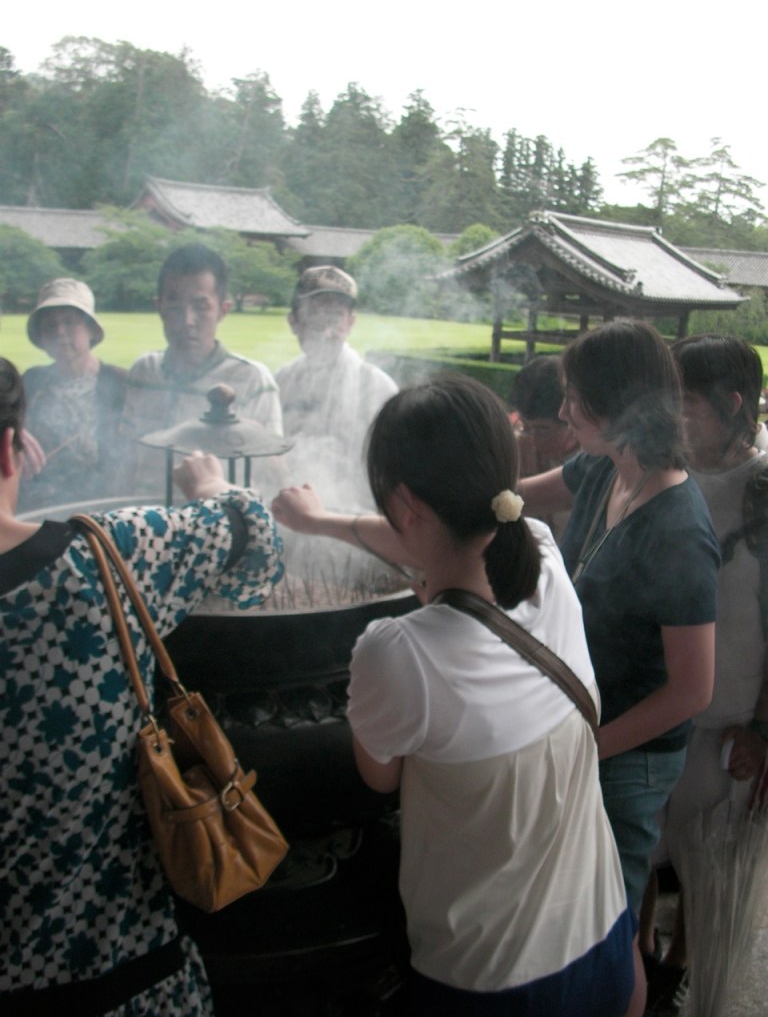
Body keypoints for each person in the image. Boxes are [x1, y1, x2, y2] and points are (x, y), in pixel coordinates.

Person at [273, 373, 639, 1016]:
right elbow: (443, 541)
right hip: (602, 931)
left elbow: (378, 776)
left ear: (407, 506)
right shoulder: (547, 561)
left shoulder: (399, 651)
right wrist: (321, 521)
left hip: (492, 976)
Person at [0, 356, 284, 1014]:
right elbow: (255, 538)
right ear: (13, 450)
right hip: (122, 974)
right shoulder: (100, 561)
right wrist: (211, 481)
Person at [515, 320, 719, 1011]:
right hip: (581, 731)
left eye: (575, 399)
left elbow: (693, 688)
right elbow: (523, 496)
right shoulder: (606, 466)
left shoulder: (679, 529)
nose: (565, 412)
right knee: (570, 910)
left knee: (612, 924)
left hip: (626, 758)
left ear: (619, 404)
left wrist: (590, 746)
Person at [640, 335, 768, 1016]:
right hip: (652, 710)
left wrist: (763, 730)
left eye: (683, 401)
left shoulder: (764, 491)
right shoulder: (661, 472)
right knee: (634, 851)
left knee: (710, 868)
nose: (671, 415)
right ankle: (640, 962)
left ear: (732, 403)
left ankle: (684, 966)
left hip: (726, 724)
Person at [117, 244, 283, 500]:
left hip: (215, 527)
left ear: (223, 310)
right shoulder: (144, 372)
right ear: (159, 307)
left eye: (201, 306)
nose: (187, 320)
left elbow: (273, 474)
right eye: (174, 306)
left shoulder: (252, 379)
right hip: (146, 524)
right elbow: (128, 456)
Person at [276, 265, 397, 510]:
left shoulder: (377, 387)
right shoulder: (280, 382)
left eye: (334, 316)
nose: (325, 328)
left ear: (350, 323)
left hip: (354, 523)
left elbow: (394, 472)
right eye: (314, 314)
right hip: (288, 519)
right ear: (294, 322)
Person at [18, 278, 127, 513]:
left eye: (70, 322)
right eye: (50, 325)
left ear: (90, 330)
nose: (60, 332)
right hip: (34, 509)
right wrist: (10, 430)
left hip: (99, 510)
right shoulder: (29, 382)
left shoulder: (120, 384)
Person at [511, 354, 580, 539]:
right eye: (526, 427)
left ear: (572, 418)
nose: (533, 441)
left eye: (543, 431)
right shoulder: (519, 445)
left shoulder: (593, 459)